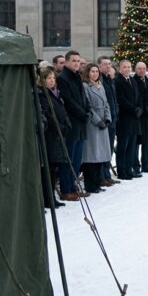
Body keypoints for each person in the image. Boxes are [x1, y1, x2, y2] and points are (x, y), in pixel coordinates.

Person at [56, 51, 89, 198]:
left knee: (77, 159)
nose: (76, 63)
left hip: (81, 123)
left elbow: (83, 98)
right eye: (74, 61)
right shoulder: (63, 78)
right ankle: (66, 189)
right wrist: (82, 113)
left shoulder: (77, 76)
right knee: (68, 158)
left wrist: (88, 111)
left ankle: (73, 186)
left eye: (78, 61)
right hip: (72, 123)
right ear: (67, 62)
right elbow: (68, 101)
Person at [37, 67, 69, 205]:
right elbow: (48, 115)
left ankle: (51, 197)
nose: (52, 81)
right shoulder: (42, 94)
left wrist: (66, 124)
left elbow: (61, 110)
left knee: (54, 168)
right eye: (49, 78)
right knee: (49, 169)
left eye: (53, 78)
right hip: (51, 135)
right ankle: (48, 198)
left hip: (59, 134)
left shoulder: (54, 93)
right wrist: (59, 126)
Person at [81, 64, 112, 194]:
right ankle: (90, 184)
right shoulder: (85, 86)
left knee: (100, 155)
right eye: (92, 71)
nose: (95, 74)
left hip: (103, 123)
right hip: (92, 124)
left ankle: (98, 181)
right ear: (87, 73)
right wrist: (98, 120)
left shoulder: (101, 86)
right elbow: (88, 106)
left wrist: (107, 118)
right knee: (91, 155)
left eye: (96, 71)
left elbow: (106, 104)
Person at [114, 60, 142, 180]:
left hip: (134, 119)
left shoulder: (132, 80)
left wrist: (139, 108)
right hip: (124, 119)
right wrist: (133, 109)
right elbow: (121, 99)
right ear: (120, 68)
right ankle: (122, 170)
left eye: (129, 67)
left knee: (131, 146)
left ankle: (129, 168)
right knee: (123, 146)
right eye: (125, 67)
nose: (127, 69)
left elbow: (138, 96)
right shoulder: (117, 81)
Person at [98, 56, 119, 186]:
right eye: (105, 64)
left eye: (110, 64)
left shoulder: (110, 80)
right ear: (99, 66)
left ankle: (106, 174)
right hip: (104, 120)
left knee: (109, 149)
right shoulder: (100, 80)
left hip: (113, 119)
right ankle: (101, 176)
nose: (108, 66)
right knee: (103, 149)